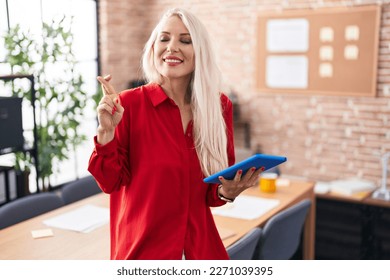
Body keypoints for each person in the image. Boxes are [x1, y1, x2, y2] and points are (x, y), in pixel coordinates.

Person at [88, 7, 262, 260]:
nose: (172, 47)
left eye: (185, 40)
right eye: (164, 38)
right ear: (153, 47)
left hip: (199, 250)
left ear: (199, 52)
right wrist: (106, 131)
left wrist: (227, 192)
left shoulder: (218, 106)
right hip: (143, 254)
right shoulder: (128, 105)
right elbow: (109, 182)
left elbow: (213, 192)